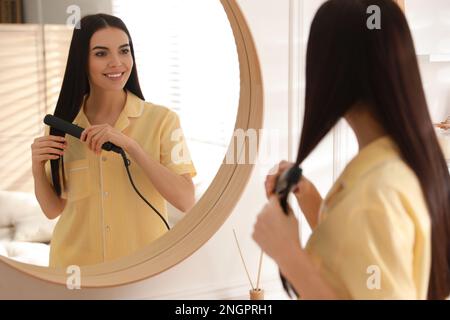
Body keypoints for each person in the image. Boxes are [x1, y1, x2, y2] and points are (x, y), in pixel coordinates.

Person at [252, 0, 450, 300]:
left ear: (334, 74)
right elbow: (358, 265)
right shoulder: (401, 168)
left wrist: (289, 255)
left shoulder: (376, 193)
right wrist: (309, 198)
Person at [31, 14, 197, 268]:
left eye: (124, 51)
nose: (116, 63)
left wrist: (132, 147)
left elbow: (186, 200)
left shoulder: (162, 120)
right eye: (101, 54)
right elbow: (53, 209)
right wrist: (36, 168)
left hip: (143, 269)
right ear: (82, 61)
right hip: (75, 269)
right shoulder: (63, 126)